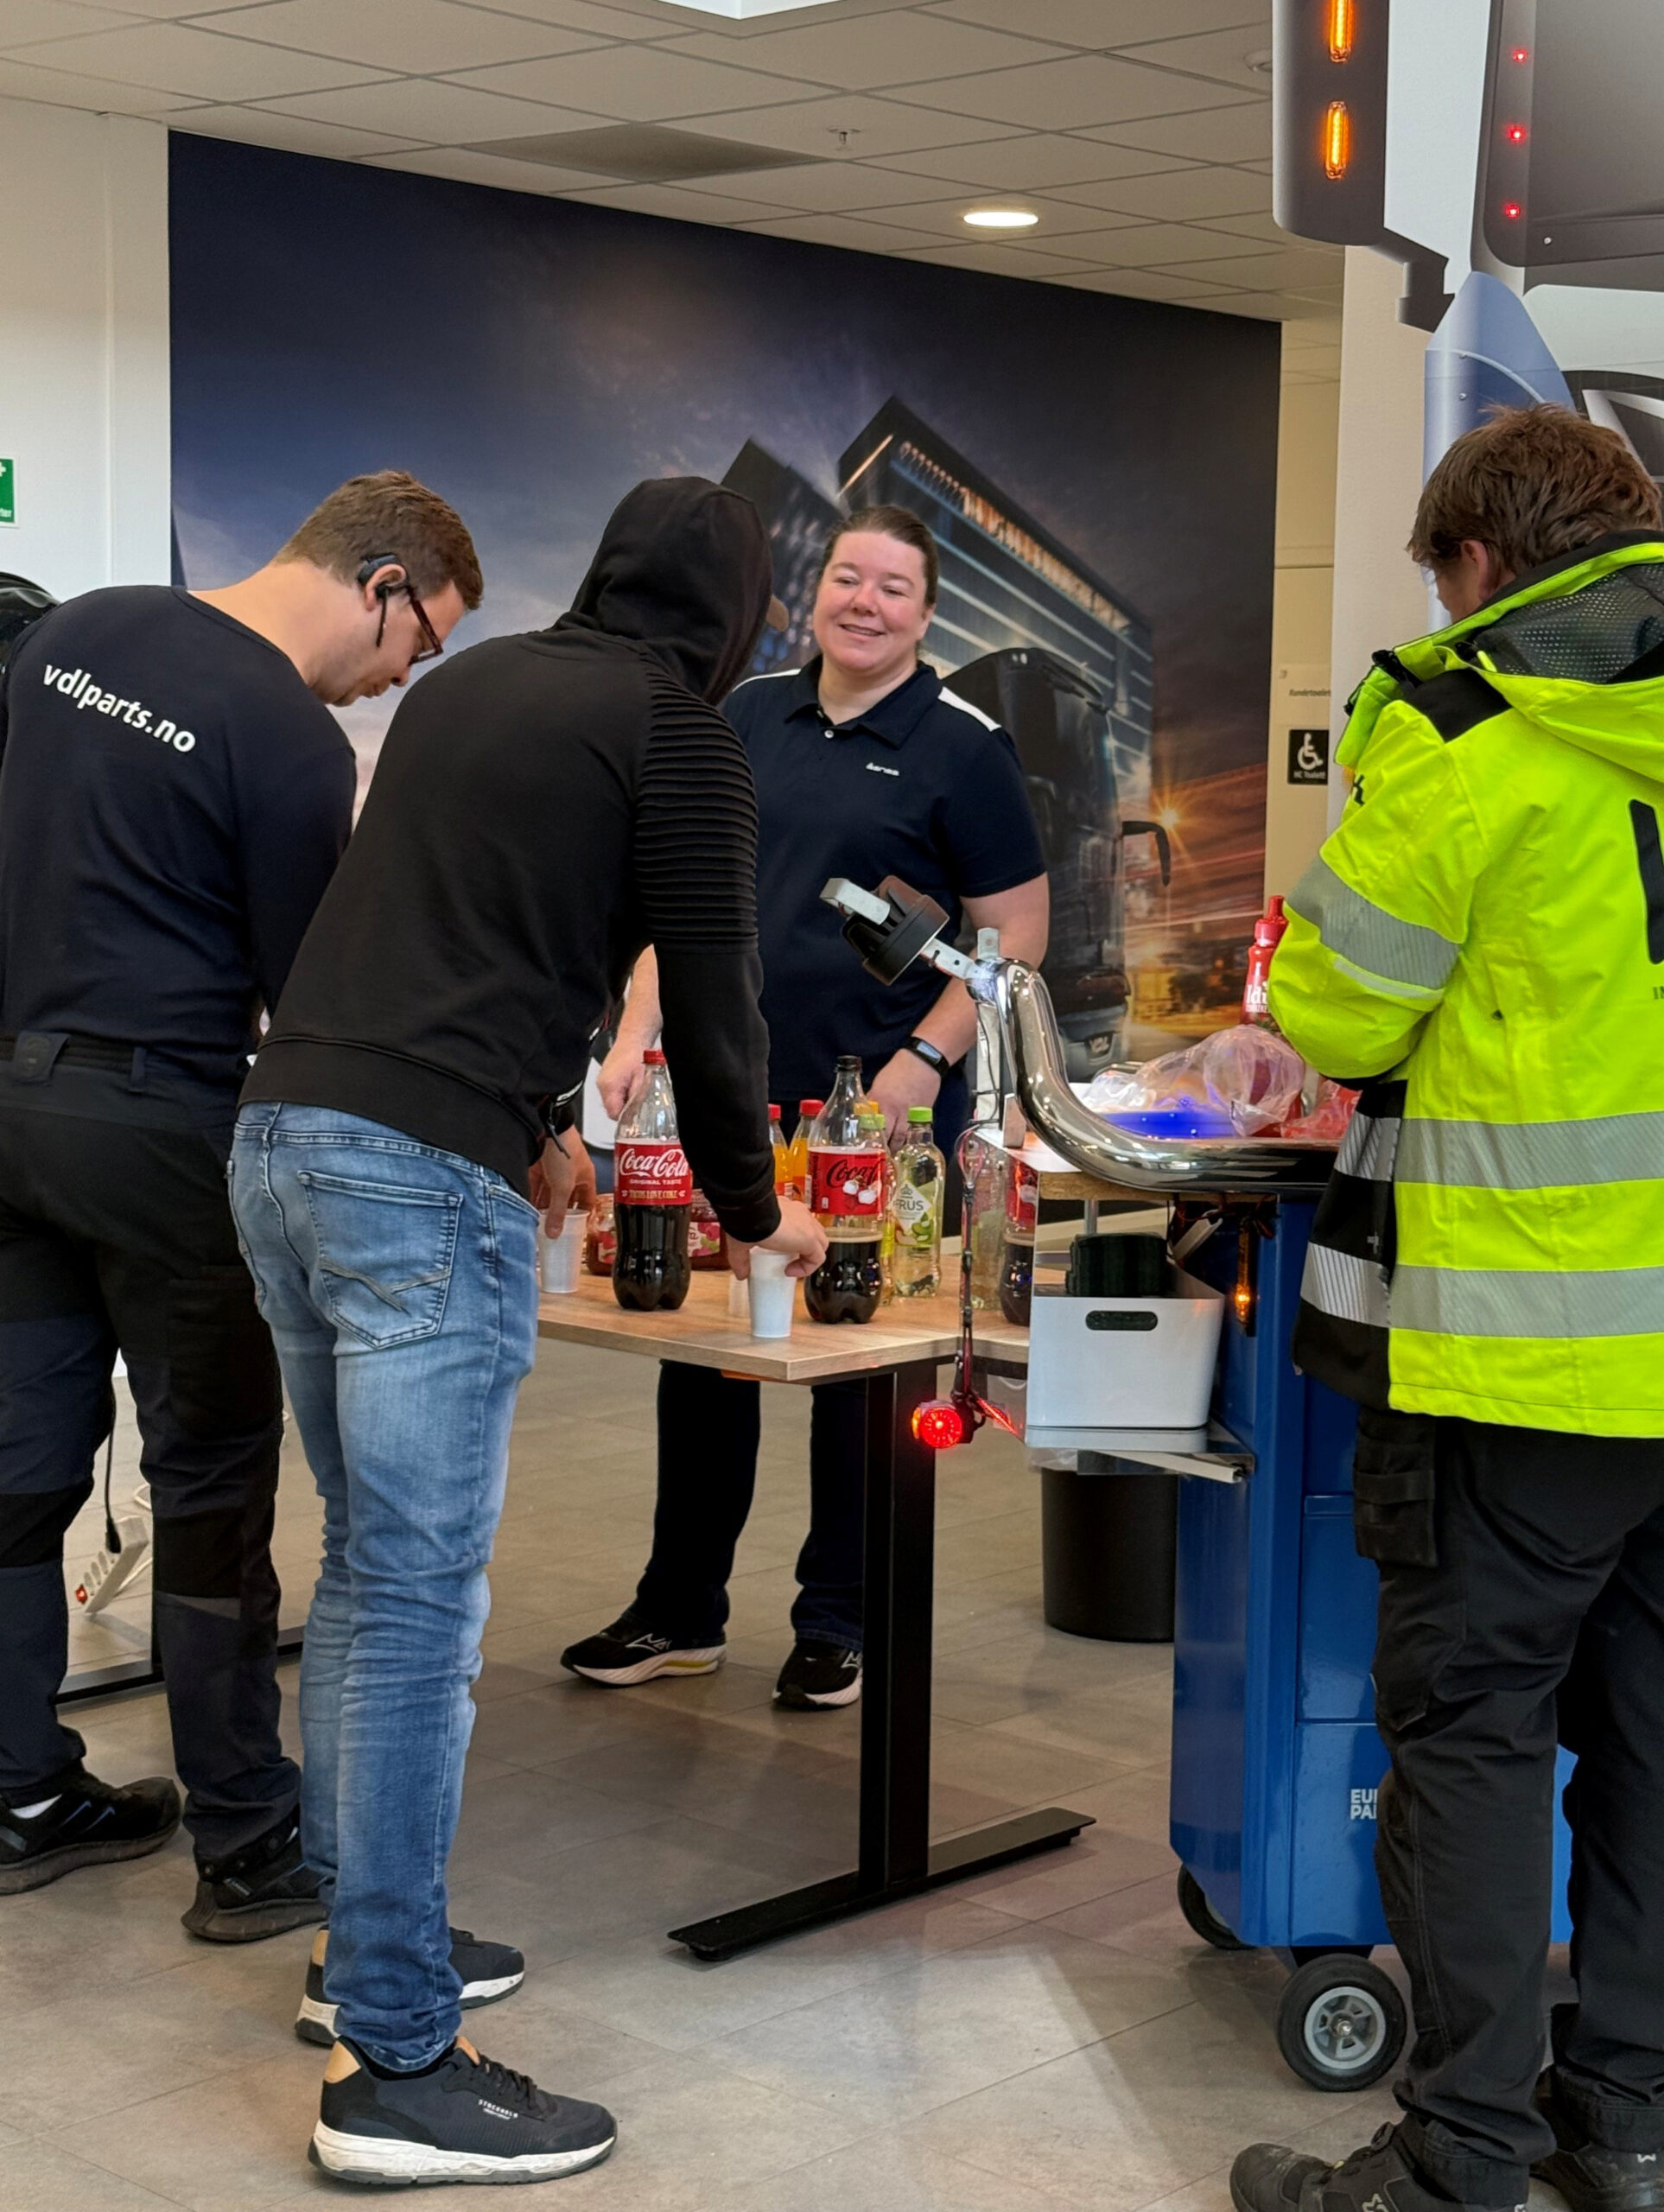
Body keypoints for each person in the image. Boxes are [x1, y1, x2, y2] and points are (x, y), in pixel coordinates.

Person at [1229, 406, 1664, 2212]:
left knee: (1470, 1736)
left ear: (1474, 565)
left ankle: (1453, 2158)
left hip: (1532, 1354)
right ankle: (1616, 2137)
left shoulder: (1468, 745)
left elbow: (1330, 1012)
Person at [231, 476, 826, 2189]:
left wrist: (541, 1114)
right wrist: (748, 1192)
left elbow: (468, 925)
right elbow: (716, 998)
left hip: (285, 1135)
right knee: (419, 1603)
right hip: (413, 1179)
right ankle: (398, 2061)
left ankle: (365, 1951)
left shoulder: (473, 682)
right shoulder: (675, 723)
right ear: (729, 613)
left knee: (367, 1570)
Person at [0, 473, 479, 1936]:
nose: (403, 676)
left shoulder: (70, 634)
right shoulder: (284, 730)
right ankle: (249, 1842)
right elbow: (310, 991)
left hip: (12, 1108)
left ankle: (19, 1790)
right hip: (163, 1128)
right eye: (422, 643)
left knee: (19, 1463)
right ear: (384, 584)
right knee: (212, 1479)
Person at [561, 505, 1048, 1713]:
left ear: (927, 615)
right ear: (812, 595)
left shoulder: (963, 748)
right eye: (846, 578)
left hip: (872, 1113)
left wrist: (927, 1061)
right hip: (731, 1097)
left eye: (893, 587)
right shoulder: (741, 719)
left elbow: (1017, 934)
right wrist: (635, 1034)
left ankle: (842, 1619)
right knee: (707, 1350)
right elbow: (675, 899)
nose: (865, 602)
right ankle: (681, 1611)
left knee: (855, 1369)